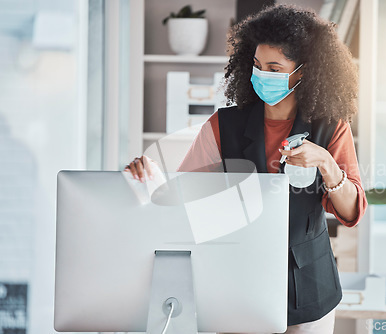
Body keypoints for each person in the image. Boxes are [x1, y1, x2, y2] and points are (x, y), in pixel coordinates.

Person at [125, 4, 367, 334]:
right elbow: (183, 197)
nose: (262, 75)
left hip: (309, 286)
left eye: (274, 67)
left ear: (303, 72)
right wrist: (152, 178)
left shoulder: (331, 128)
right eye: (256, 65)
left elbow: (351, 212)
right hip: (237, 280)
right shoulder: (223, 126)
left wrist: (326, 163)